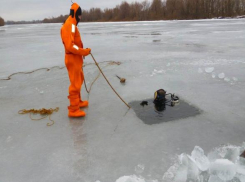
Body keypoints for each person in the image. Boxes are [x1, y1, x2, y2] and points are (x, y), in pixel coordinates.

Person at [60, 2, 91, 117]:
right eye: (80, 15)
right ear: (75, 14)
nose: (81, 18)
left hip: (76, 59)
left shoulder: (72, 25)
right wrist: (83, 51)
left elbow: (75, 43)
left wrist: (82, 51)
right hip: (72, 58)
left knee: (79, 79)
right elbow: (70, 46)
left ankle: (78, 102)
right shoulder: (69, 25)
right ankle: (73, 109)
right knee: (75, 84)